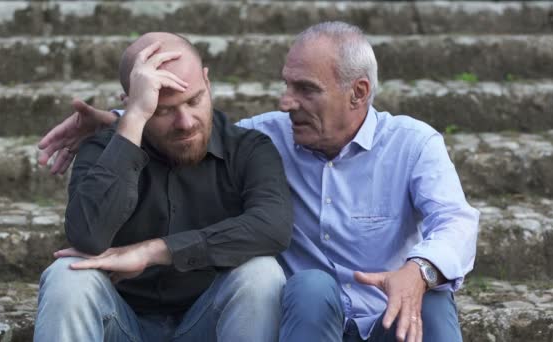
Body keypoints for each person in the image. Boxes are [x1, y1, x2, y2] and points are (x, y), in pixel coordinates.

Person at [38, 22, 479, 342]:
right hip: (297, 313)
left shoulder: (411, 143)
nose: (287, 102)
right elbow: (186, 129)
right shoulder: (271, 132)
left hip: (385, 312)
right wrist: (127, 120)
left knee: (430, 298)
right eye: (287, 86)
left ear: (358, 93)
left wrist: (418, 270)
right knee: (67, 274)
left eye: (305, 90)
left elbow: (456, 222)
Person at [34, 32, 293, 342]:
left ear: (207, 83)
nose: (185, 122)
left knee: (262, 274)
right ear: (131, 104)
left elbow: (273, 227)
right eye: (163, 110)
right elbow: (88, 236)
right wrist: (132, 122)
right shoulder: (103, 148)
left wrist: (155, 251)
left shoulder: (249, 148)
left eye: (194, 100)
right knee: (66, 276)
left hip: (210, 321)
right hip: (122, 322)